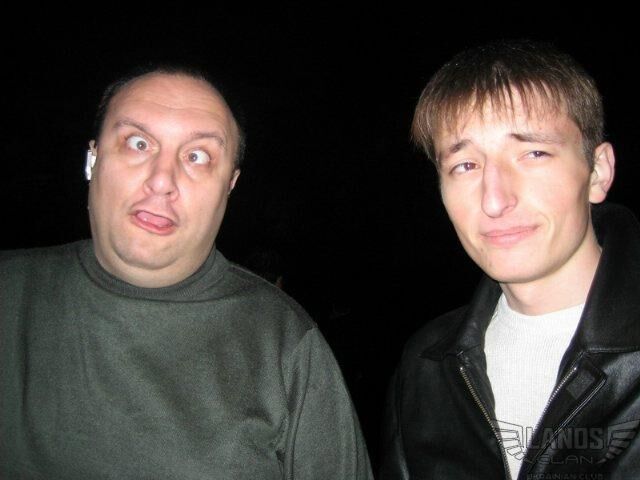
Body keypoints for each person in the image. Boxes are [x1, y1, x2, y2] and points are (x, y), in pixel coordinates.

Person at [1, 66, 373, 479]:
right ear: (93, 159)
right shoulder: (9, 293)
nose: (162, 180)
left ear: (229, 185)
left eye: (197, 157)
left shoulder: (285, 344)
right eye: (138, 143)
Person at [380, 40, 640, 479]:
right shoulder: (426, 365)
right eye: (465, 165)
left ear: (598, 172)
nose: (495, 200)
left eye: (533, 154)